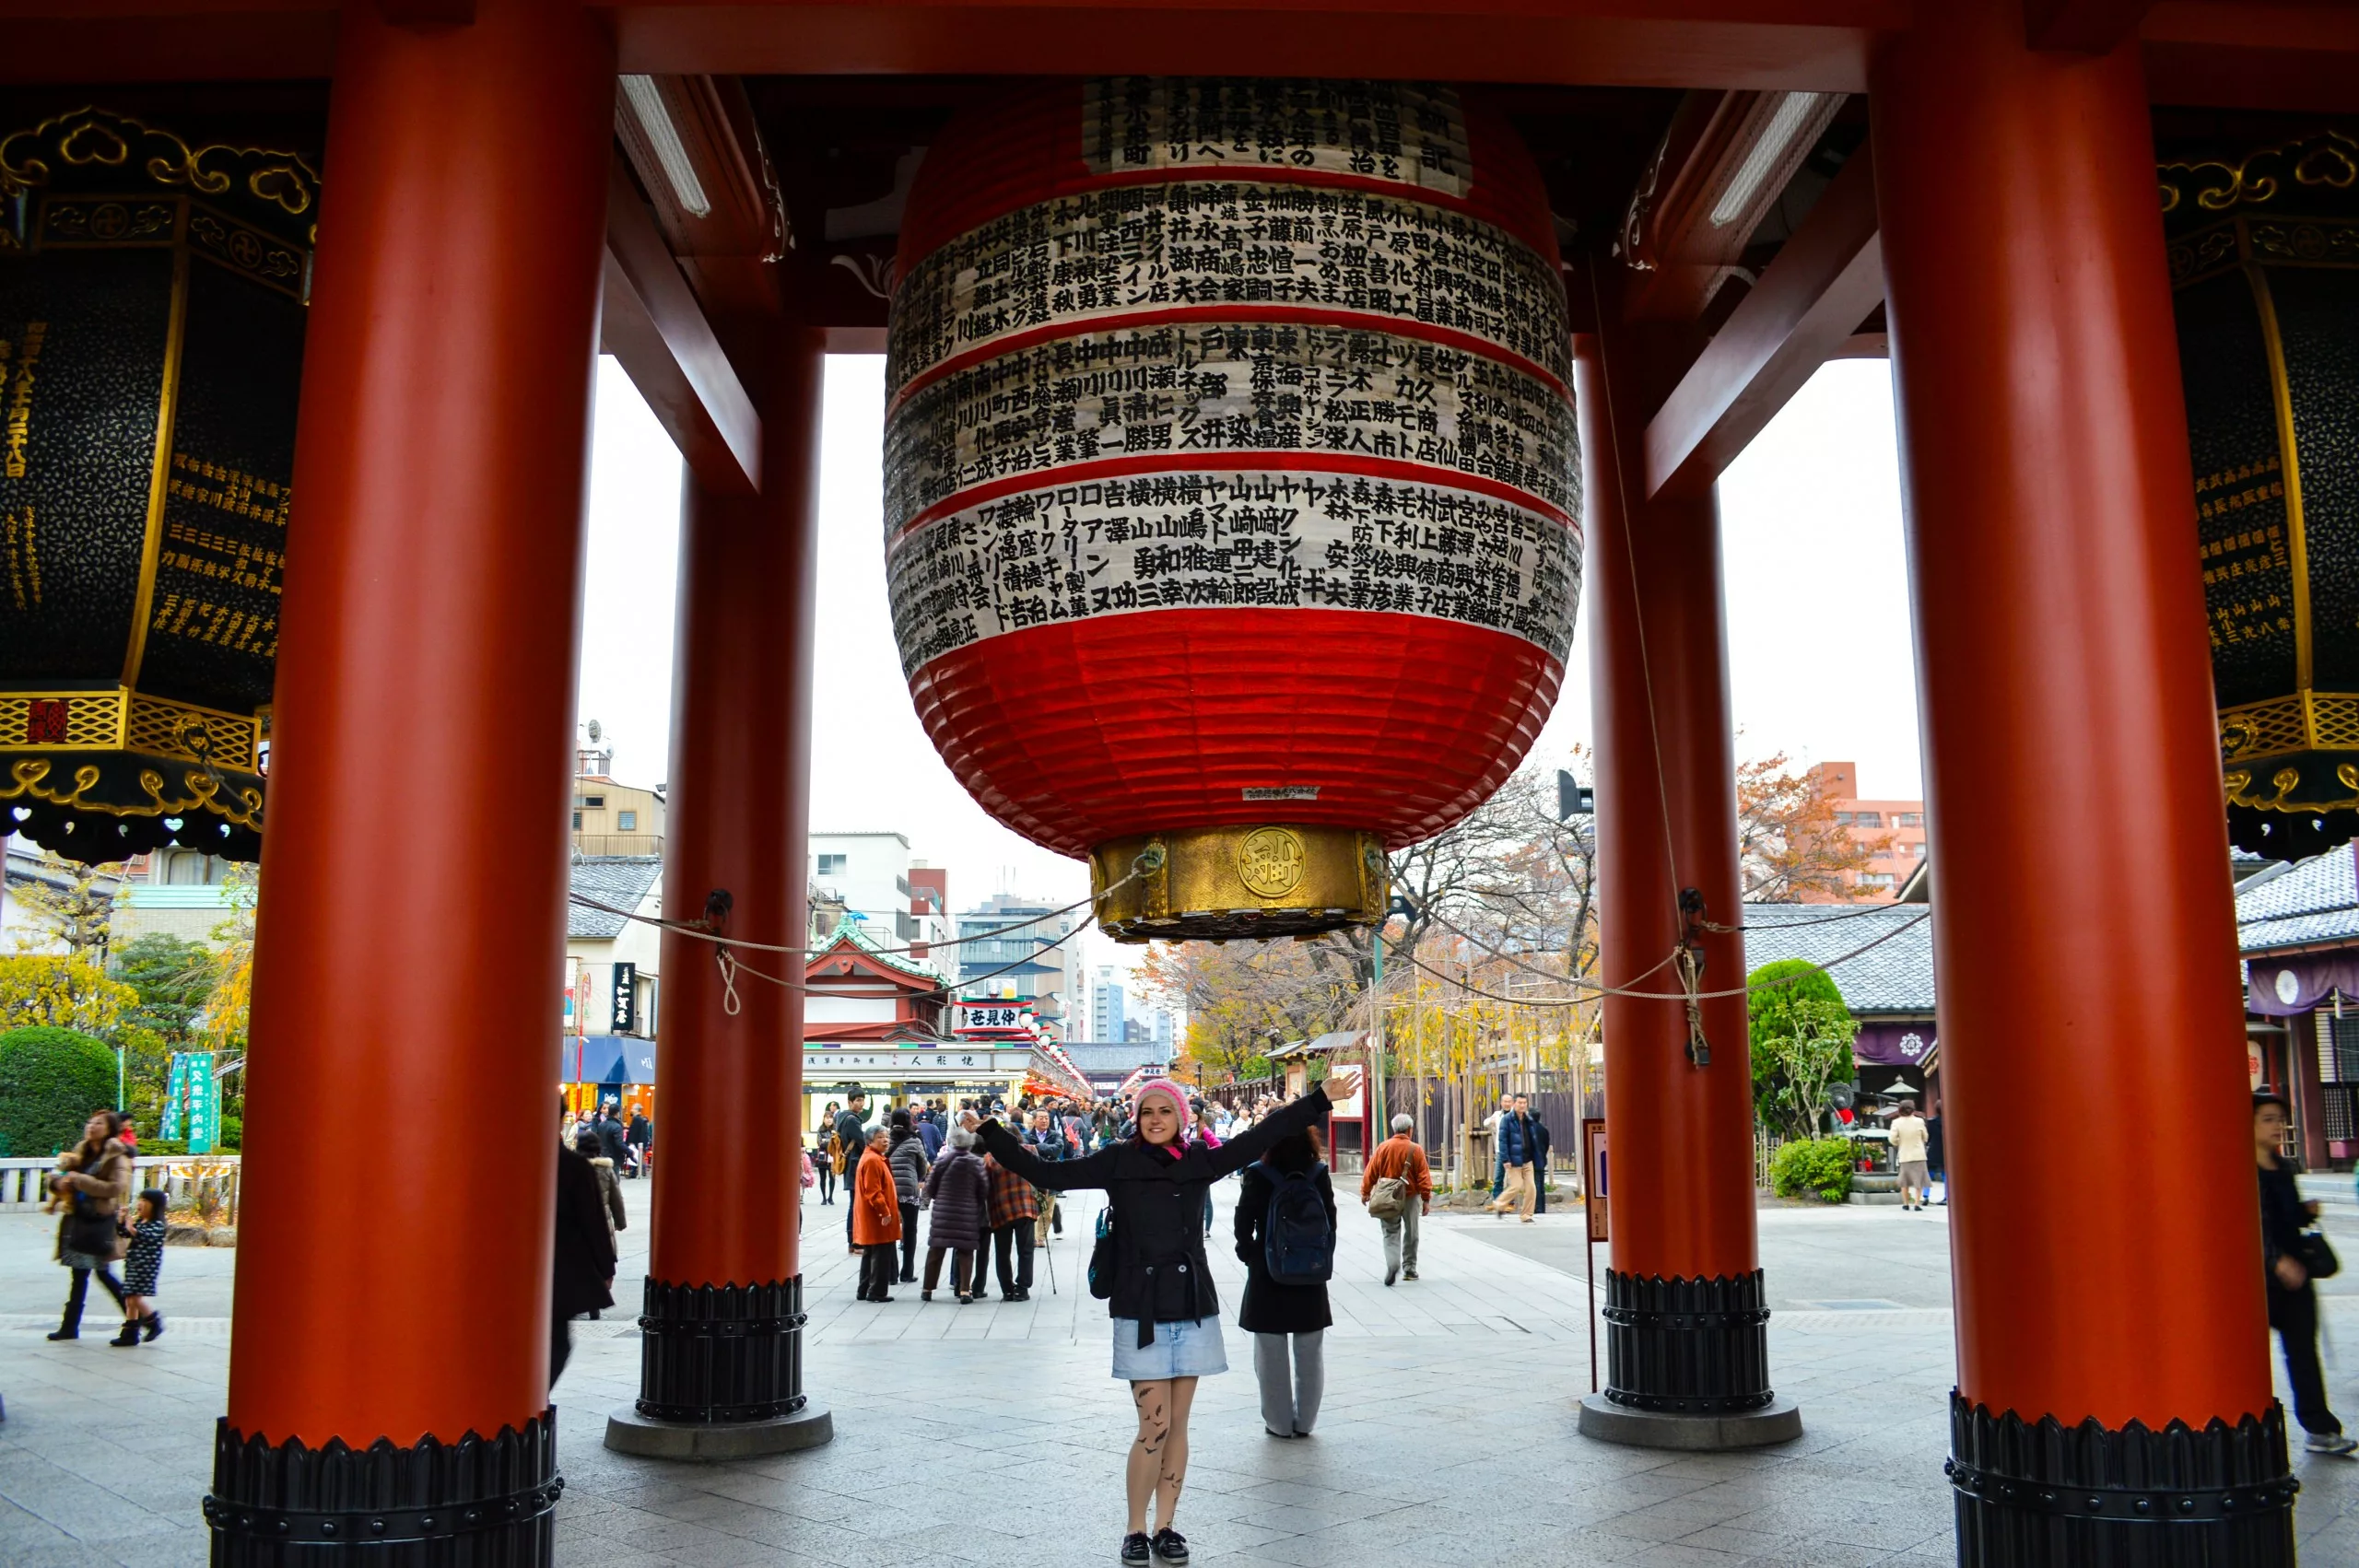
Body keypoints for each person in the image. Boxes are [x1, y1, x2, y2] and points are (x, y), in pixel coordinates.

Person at [979, 1068, 1359, 1568]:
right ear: (1135, 1118)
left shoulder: (1199, 1161)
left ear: (1181, 1118)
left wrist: (1317, 1101)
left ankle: (1166, 1526)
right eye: (1147, 1112)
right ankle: (1135, 1529)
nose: (1155, 1119)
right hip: (1140, 1307)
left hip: (1192, 1304)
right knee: (1152, 1426)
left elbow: (1260, 1137)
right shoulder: (1117, 1160)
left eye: (1165, 1111)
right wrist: (990, 1133)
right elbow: (1050, 1174)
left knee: (1178, 1425)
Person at [2256, 1093, 2354, 1455]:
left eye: (2279, 1119)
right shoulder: (2238, 1168)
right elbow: (2245, 1222)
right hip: (2260, 1279)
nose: (2277, 1126)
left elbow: (2287, 1218)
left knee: (2302, 1352)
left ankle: (2319, 1428)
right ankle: (2247, 1423)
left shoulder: (2283, 1166)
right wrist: (2274, 1260)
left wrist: (2305, 1212)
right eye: (2267, 1119)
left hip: (2296, 1275)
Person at [1235, 1125, 1335, 1439]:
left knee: (1270, 1353)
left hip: (1268, 1272)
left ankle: (1278, 1424)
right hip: (1309, 1272)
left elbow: (1243, 1223)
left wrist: (1250, 1253)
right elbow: (1330, 1222)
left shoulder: (1258, 1173)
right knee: (1310, 1352)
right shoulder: (1318, 1173)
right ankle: (1305, 1422)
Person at [46, 1110, 132, 1341]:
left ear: (110, 1129)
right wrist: (58, 1182)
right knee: (81, 1275)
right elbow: (59, 1174)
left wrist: (80, 1181)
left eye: (98, 1123)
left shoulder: (116, 1155)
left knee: (100, 1274)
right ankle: (70, 1326)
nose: (91, 1126)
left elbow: (115, 1188)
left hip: (99, 1222)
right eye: (90, 1121)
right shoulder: (81, 1152)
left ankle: (139, 1319)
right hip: (78, 1221)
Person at [552, 1117, 616, 1385]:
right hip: (558, 1272)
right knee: (556, 1344)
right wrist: (606, 1267)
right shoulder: (573, 1167)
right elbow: (593, 1220)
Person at [1362, 1112, 1433, 1285]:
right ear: (1410, 1130)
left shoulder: (1383, 1147)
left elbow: (1371, 1171)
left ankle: (1392, 1264)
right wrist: (1426, 1199)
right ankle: (1409, 1268)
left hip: (1387, 1196)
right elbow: (1424, 1176)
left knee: (1390, 1232)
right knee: (1412, 1232)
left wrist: (1365, 1191)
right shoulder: (1415, 1149)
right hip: (1410, 1196)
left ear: (1394, 1129)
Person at [921, 1125, 990, 1302]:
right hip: (967, 1214)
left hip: (943, 1213)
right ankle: (965, 1291)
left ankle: (927, 1289)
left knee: (936, 1251)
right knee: (966, 1252)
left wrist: (941, 1199)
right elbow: (983, 1189)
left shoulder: (942, 1161)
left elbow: (930, 1187)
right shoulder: (975, 1162)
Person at [112, 1187, 170, 1347]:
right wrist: (121, 1220)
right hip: (133, 1265)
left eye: (145, 1201)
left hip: (146, 1267)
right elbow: (125, 1234)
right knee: (130, 1299)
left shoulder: (157, 1225)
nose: (140, 1204)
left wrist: (132, 1229)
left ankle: (154, 1322)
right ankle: (130, 1333)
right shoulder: (140, 1222)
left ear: (155, 1205)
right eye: (140, 1200)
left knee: (135, 1298)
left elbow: (148, 1237)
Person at [852, 1126, 900, 1302]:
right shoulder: (872, 1160)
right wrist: (884, 1212)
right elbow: (873, 1191)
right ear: (870, 1141)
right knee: (881, 1254)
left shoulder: (873, 1157)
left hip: (871, 1215)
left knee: (870, 1253)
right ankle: (877, 1292)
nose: (886, 1140)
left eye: (887, 1136)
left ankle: (864, 1289)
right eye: (880, 1137)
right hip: (876, 1216)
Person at [985, 1145, 1039, 1301]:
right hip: (1025, 1206)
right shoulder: (1030, 1150)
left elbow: (986, 1185)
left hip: (1001, 1209)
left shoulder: (990, 1158)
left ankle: (1007, 1289)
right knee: (1026, 1250)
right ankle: (1022, 1289)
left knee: (1002, 1252)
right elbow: (1039, 1173)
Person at [888, 1108, 930, 1283]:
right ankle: (907, 1272)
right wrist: (917, 1178)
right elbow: (923, 1165)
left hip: (889, 1190)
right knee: (910, 1229)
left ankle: (891, 1274)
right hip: (909, 1190)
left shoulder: (885, 1138)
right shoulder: (915, 1140)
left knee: (889, 1231)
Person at [576, 1128, 628, 1252]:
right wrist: (620, 1222)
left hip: (577, 1222)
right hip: (602, 1220)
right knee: (603, 1253)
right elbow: (616, 1199)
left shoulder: (573, 1168)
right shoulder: (605, 1169)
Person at [1487, 1097, 1538, 1223]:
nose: (1522, 1105)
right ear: (1515, 1104)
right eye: (1519, 1103)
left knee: (1531, 1187)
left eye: (1524, 1103)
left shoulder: (1528, 1119)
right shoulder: (1507, 1120)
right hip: (1514, 1160)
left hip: (1527, 1160)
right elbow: (1502, 1140)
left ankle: (1526, 1215)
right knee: (1516, 1185)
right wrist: (1505, 1159)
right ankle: (1499, 1204)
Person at [836, 1091, 874, 1251]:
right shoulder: (852, 1120)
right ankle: (855, 1242)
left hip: (851, 1164)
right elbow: (862, 1141)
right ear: (850, 1102)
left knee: (855, 1203)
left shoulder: (843, 1118)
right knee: (856, 1204)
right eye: (858, 1100)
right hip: (855, 1164)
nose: (861, 1104)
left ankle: (852, 1241)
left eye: (863, 1100)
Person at [1891, 1099, 1931, 1211]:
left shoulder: (1896, 1122)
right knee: (1919, 1180)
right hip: (1919, 1154)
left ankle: (1906, 1203)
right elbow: (1925, 1136)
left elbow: (1892, 1139)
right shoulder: (1919, 1121)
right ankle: (1917, 1204)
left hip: (1905, 1154)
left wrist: (1900, 1143)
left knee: (1905, 1180)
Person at [627, 1106, 651, 1178]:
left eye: (633, 1109)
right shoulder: (642, 1120)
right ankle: (642, 1171)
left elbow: (633, 1132)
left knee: (634, 1157)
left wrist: (630, 1141)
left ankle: (634, 1172)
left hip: (635, 1142)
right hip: (640, 1142)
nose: (631, 1110)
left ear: (637, 1110)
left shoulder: (636, 1119)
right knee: (640, 1157)